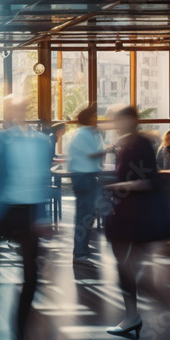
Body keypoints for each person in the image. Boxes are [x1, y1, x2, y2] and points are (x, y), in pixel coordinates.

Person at [0, 96, 53, 340]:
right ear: (6, 111)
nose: (17, 112)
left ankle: (21, 322)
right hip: (1, 208)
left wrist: (42, 214)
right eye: (12, 109)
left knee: (31, 272)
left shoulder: (41, 142)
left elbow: (43, 179)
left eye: (21, 108)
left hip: (29, 209)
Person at [103, 106, 170, 339]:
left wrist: (117, 187)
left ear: (132, 120)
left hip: (137, 214)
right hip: (127, 213)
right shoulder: (128, 144)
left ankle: (140, 311)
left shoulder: (139, 145)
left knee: (129, 267)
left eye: (119, 120)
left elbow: (147, 181)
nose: (116, 124)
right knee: (126, 266)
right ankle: (134, 314)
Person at [67, 105, 107, 266]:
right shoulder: (84, 134)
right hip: (85, 177)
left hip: (84, 177)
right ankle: (80, 252)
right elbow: (92, 154)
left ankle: (81, 250)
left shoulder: (83, 133)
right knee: (85, 215)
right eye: (95, 116)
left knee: (86, 214)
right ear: (89, 118)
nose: (97, 119)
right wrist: (109, 149)